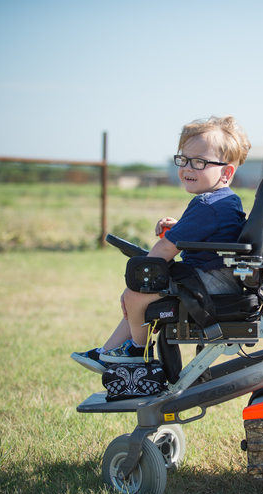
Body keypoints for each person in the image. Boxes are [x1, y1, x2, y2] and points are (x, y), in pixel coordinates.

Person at [71, 116, 251, 373]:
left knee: (135, 294)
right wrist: (179, 227)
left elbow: (166, 250)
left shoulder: (207, 205)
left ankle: (137, 354)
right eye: (183, 159)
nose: (187, 168)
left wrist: (142, 277)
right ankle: (108, 353)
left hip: (212, 284)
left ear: (226, 172)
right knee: (138, 297)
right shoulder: (222, 201)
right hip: (214, 277)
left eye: (199, 162)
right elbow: (215, 234)